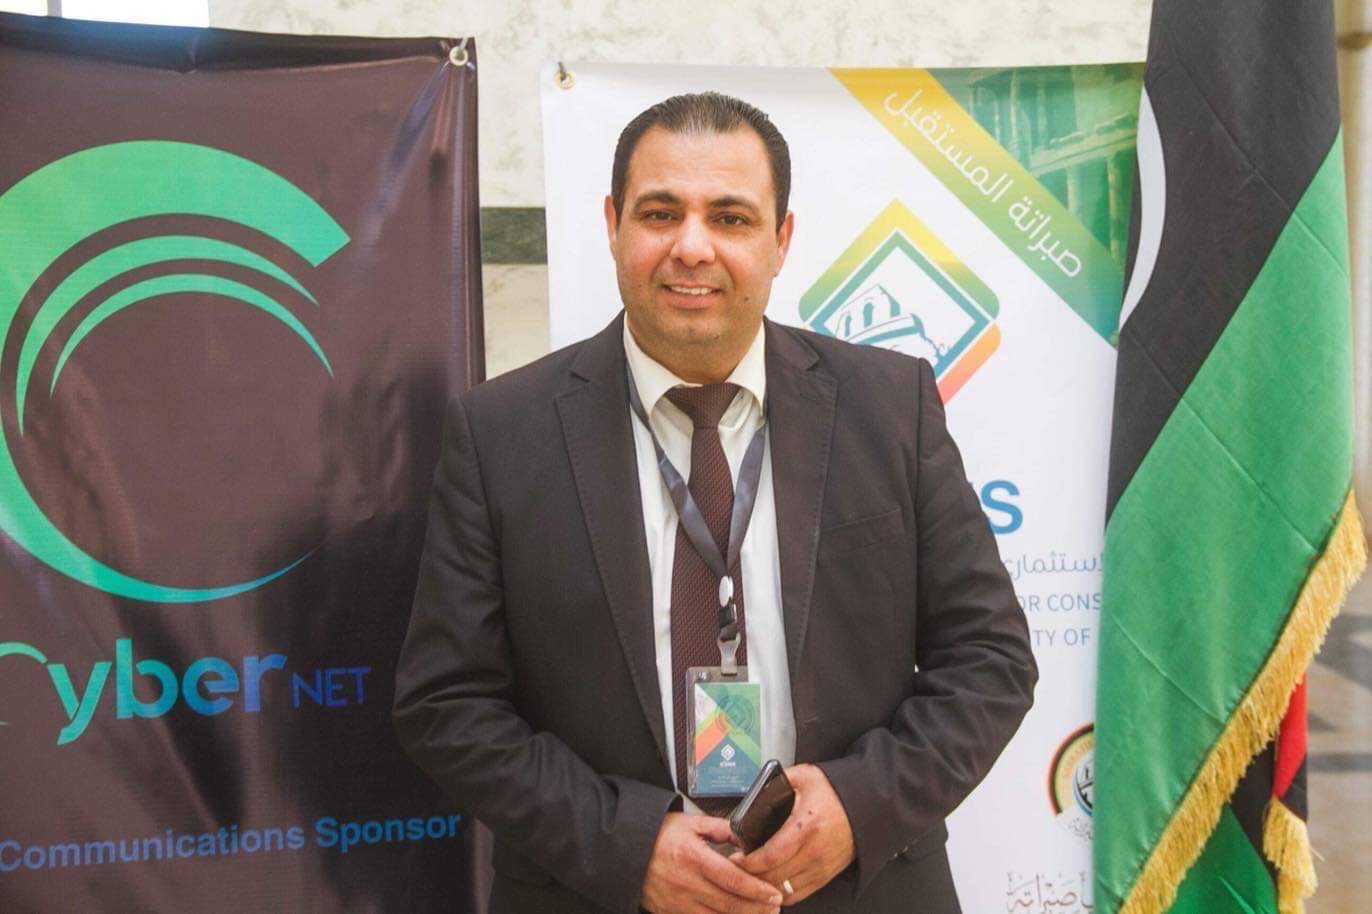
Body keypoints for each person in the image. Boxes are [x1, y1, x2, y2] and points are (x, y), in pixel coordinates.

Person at [394, 91, 1036, 914]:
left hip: (857, 890)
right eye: (660, 213)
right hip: (600, 895)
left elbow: (990, 659)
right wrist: (626, 847)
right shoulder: (500, 433)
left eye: (730, 218)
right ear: (613, 226)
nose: (691, 247)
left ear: (781, 240)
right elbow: (447, 704)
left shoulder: (890, 407)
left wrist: (858, 807)